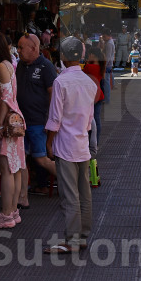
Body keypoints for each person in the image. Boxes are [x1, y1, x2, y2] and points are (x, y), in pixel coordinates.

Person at [44, 37, 100, 254]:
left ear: (63, 57)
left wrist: (49, 142)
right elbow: (89, 120)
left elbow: (55, 119)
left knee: (70, 196)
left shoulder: (60, 82)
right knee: (84, 193)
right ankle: (83, 236)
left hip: (66, 145)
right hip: (82, 144)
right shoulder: (88, 82)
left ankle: (73, 240)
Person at [0, 31, 27, 229]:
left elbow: (6, 98)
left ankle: (6, 214)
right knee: (15, 168)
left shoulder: (1, 67)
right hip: (14, 122)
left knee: (7, 168)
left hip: (6, 124)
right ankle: (12, 212)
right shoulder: (9, 65)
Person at [15, 33, 59, 198]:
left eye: (21, 47)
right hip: (20, 122)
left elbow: (53, 94)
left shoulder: (46, 66)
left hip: (38, 122)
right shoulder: (20, 65)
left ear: (34, 48)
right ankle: (22, 195)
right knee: (21, 159)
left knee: (41, 159)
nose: (18, 51)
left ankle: (70, 182)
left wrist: (50, 119)